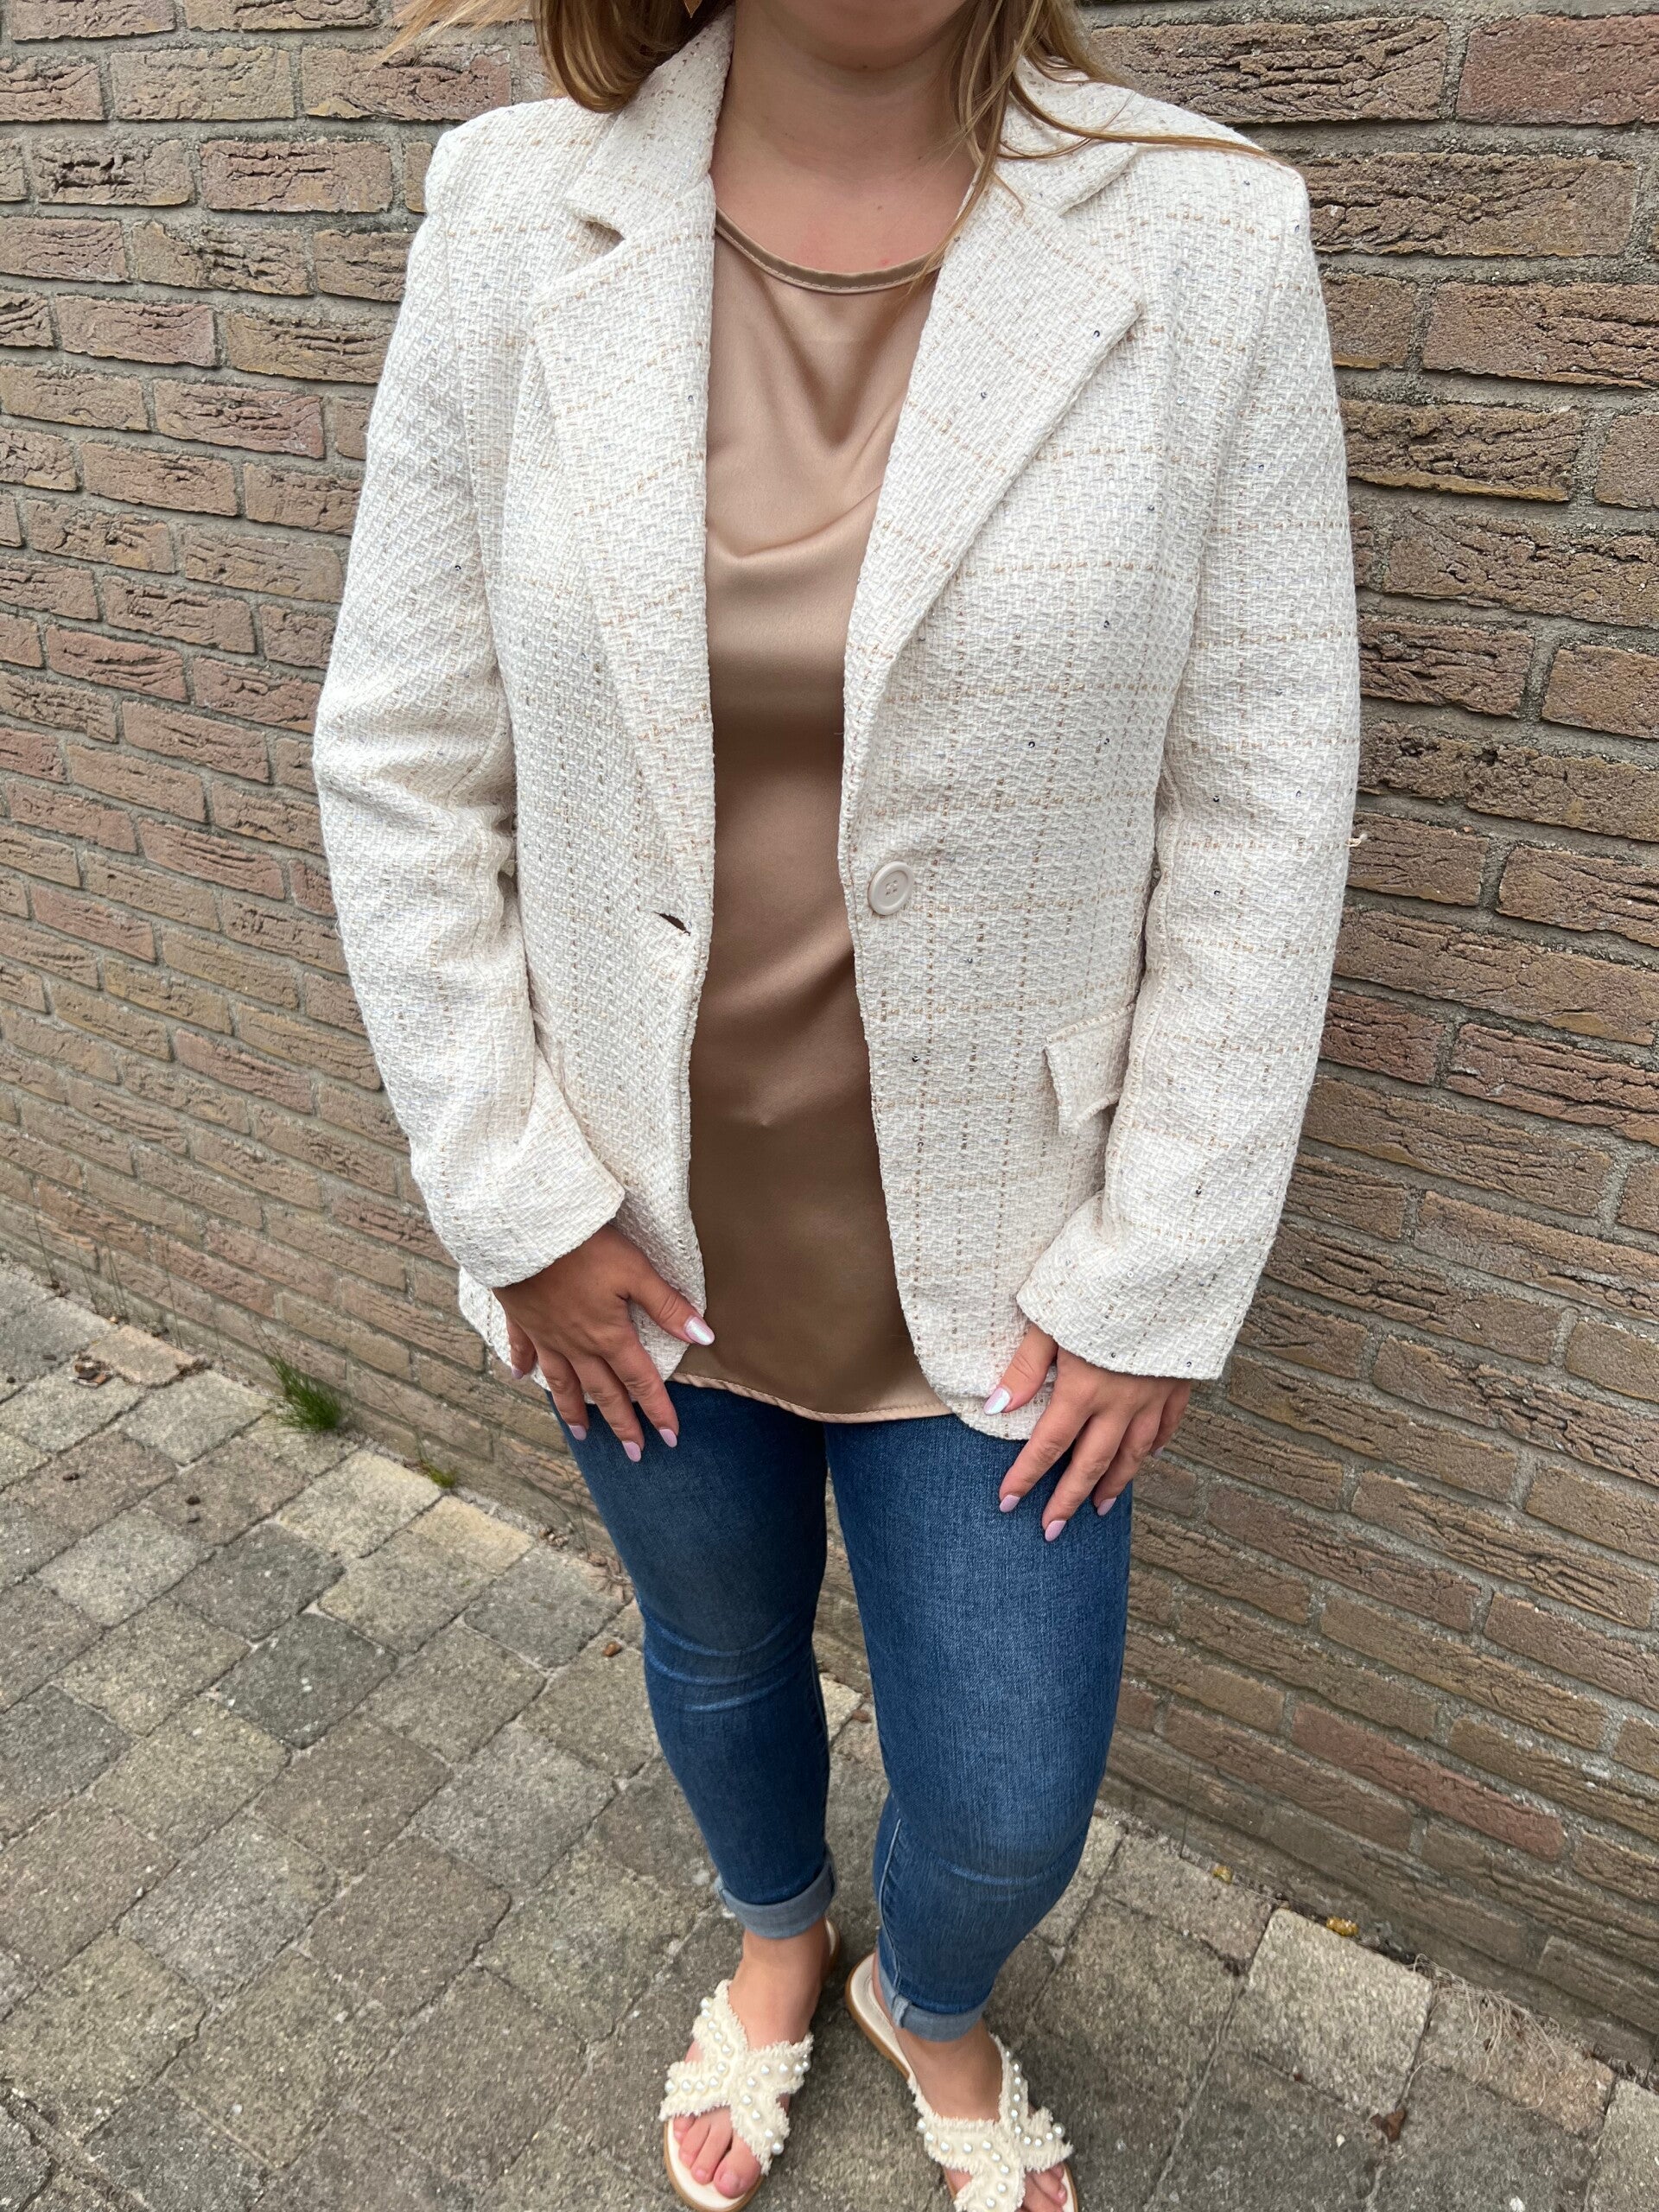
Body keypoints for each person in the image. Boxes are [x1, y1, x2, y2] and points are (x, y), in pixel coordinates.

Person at [311, 1, 1360, 2204]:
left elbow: (1264, 804)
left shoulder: (1211, 243)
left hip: (1013, 1256)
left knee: (1010, 1787)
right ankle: (779, 1932)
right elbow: (400, 752)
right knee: (715, 1648)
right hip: (633, 1236)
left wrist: (1165, 1260)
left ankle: (932, 1990)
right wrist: (512, 1196)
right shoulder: (513, 214)